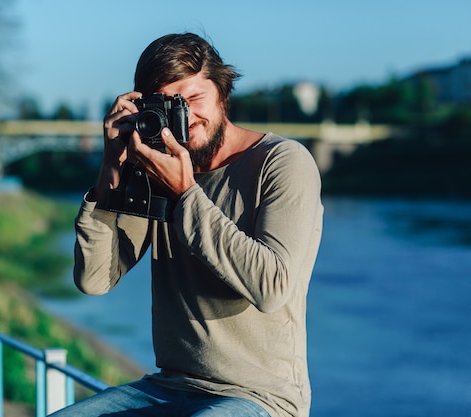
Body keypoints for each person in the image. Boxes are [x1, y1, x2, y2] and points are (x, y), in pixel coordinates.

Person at [50, 33, 323, 417]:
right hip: (168, 386)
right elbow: (94, 280)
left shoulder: (282, 162)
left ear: (223, 95)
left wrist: (185, 193)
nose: (187, 117)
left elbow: (271, 287)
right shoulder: (153, 169)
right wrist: (112, 167)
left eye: (194, 100)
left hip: (259, 397)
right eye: (170, 105)